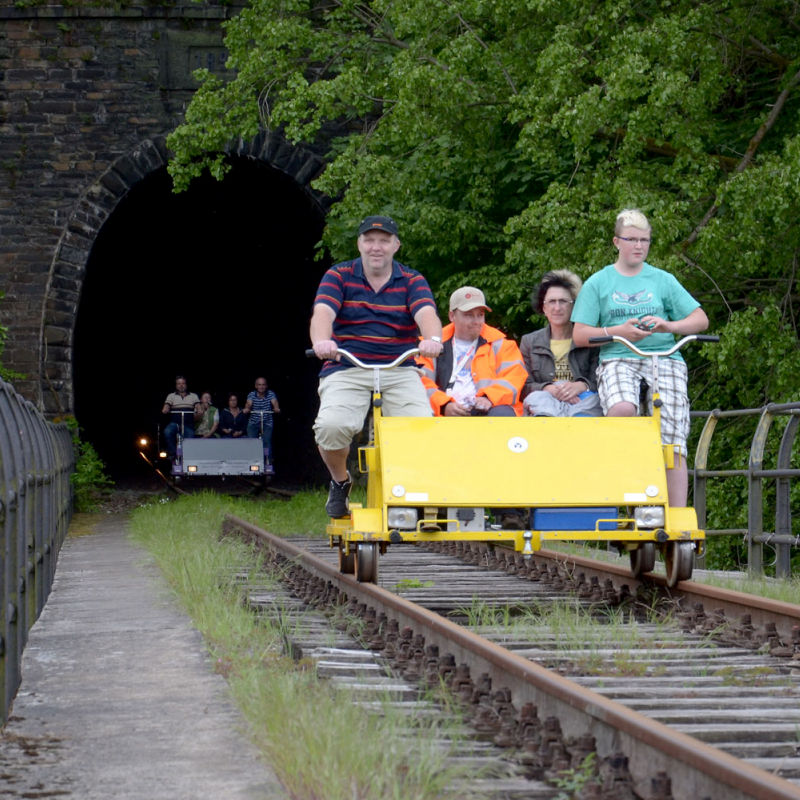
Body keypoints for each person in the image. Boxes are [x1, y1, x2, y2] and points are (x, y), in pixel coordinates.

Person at [571, 208, 709, 506]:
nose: (639, 246)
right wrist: (618, 331)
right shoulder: (598, 283)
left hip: (664, 356)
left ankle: (675, 518)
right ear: (616, 241)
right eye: (632, 239)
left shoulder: (662, 280)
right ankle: (624, 486)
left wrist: (668, 325)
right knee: (622, 408)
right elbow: (580, 334)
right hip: (620, 355)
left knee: (672, 439)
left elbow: (700, 319)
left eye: (645, 240)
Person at [310, 214, 444, 517]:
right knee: (331, 427)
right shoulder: (339, 275)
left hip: (398, 368)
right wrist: (322, 342)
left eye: (384, 241)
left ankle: (412, 489)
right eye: (369, 240)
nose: (376, 247)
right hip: (348, 366)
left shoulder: (411, 279)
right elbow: (322, 314)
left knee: (421, 427)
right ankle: (340, 481)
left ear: (395, 245)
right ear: (359, 244)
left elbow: (426, 314)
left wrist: (432, 338)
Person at [417, 286, 527, 417]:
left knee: (502, 413)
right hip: (443, 412)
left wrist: (488, 398)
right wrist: (443, 405)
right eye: (469, 315)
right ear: (452, 316)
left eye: (480, 315)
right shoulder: (431, 345)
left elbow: (513, 378)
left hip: (488, 409)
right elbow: (420, 383)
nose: (476, 321)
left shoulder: (503, 345)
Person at [520, 270, 602, 417]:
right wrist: (548, 388)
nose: (557, 308)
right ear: (544, 308)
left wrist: (581, 385)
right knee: (536, 399)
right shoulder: (529, 342)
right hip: (546, 401)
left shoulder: (590, 338)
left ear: (574, 306)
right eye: (552, 301)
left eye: (563, 301)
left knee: (596, 401)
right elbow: (523, 385)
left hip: (582, 400)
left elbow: (601, 379)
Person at [245, 377, 280, 473]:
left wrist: (276, 408)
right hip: (254, 422)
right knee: (252, 442)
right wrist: (247, 408)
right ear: (256, 386)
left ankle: (268, 463)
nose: (261, 387)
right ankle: (252, 463)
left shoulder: (270, 394)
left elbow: (275, 402)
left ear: (266, 386)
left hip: (267, 422)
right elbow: (248, 404)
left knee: (267, 442)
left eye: (263, 384)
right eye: (259, 385)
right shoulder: (252, 394)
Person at [161, 375, 200, 458]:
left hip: (188, 424)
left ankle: (186, 456)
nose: (181, 385)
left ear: (186, 385)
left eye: (183, 383)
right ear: (176, 385)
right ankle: (173, 453)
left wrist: (199, 410)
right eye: (179, 383)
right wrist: (165, 409)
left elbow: (198, 406)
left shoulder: (193, 396)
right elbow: (166, 406)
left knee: (190, 437)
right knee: (167, 432)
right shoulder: (171, 396)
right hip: (175, 423)